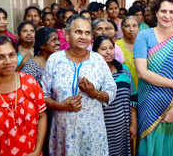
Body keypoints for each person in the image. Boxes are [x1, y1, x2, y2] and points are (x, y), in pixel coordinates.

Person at [41, 14, 117, 156]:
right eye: (78, 32)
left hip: (93, 134)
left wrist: (94, 93)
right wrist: (61, 106)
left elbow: (111, 92)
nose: (83, 37)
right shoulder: (55, 59)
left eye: (87, 33)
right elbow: (43, 95)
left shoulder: (98, 60)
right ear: (67, 34)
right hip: (63, 132)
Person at [134, 0, 173, 156]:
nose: (167, 16)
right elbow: (142, 72)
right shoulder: (144, 36)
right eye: (163, 11)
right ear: (156, 12)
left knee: (170, 146)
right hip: (148, 101)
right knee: (148, 145)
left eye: (172, 12)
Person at [93, 36, 137, 156]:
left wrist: (133, 124)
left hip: (123, 127)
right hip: (102, 127)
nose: (108, 52)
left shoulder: (124, 70)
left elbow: (132, 99)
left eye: (111, 48)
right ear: (95, 52)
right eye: (103, 49)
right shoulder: (93, 73)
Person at [116, 16, 139, 92]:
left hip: (142, 87)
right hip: (123, 88)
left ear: (138, 28)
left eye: (134, 26)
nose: (131, 29)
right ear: (122, 28)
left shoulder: (144, 44)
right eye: (127, 26)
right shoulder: (116, 46)